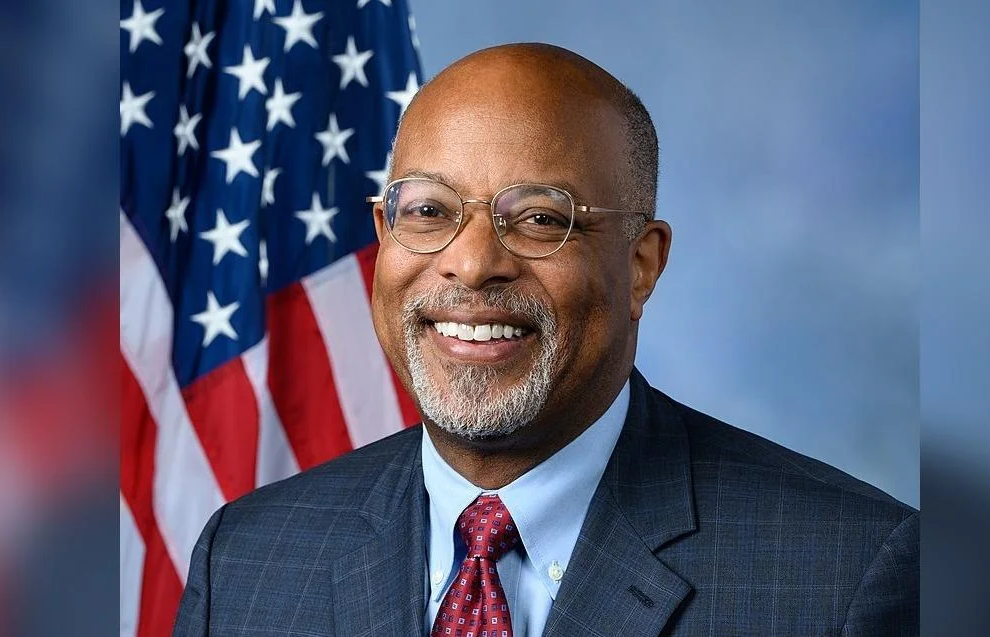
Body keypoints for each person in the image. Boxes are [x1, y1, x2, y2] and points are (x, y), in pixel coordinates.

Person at [173, 43, 918, 637]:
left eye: (536, 218)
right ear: (382, 236)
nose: (470, 262)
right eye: (429, 210)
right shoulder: (246, 560)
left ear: (640, 264)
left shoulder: (843, 576)